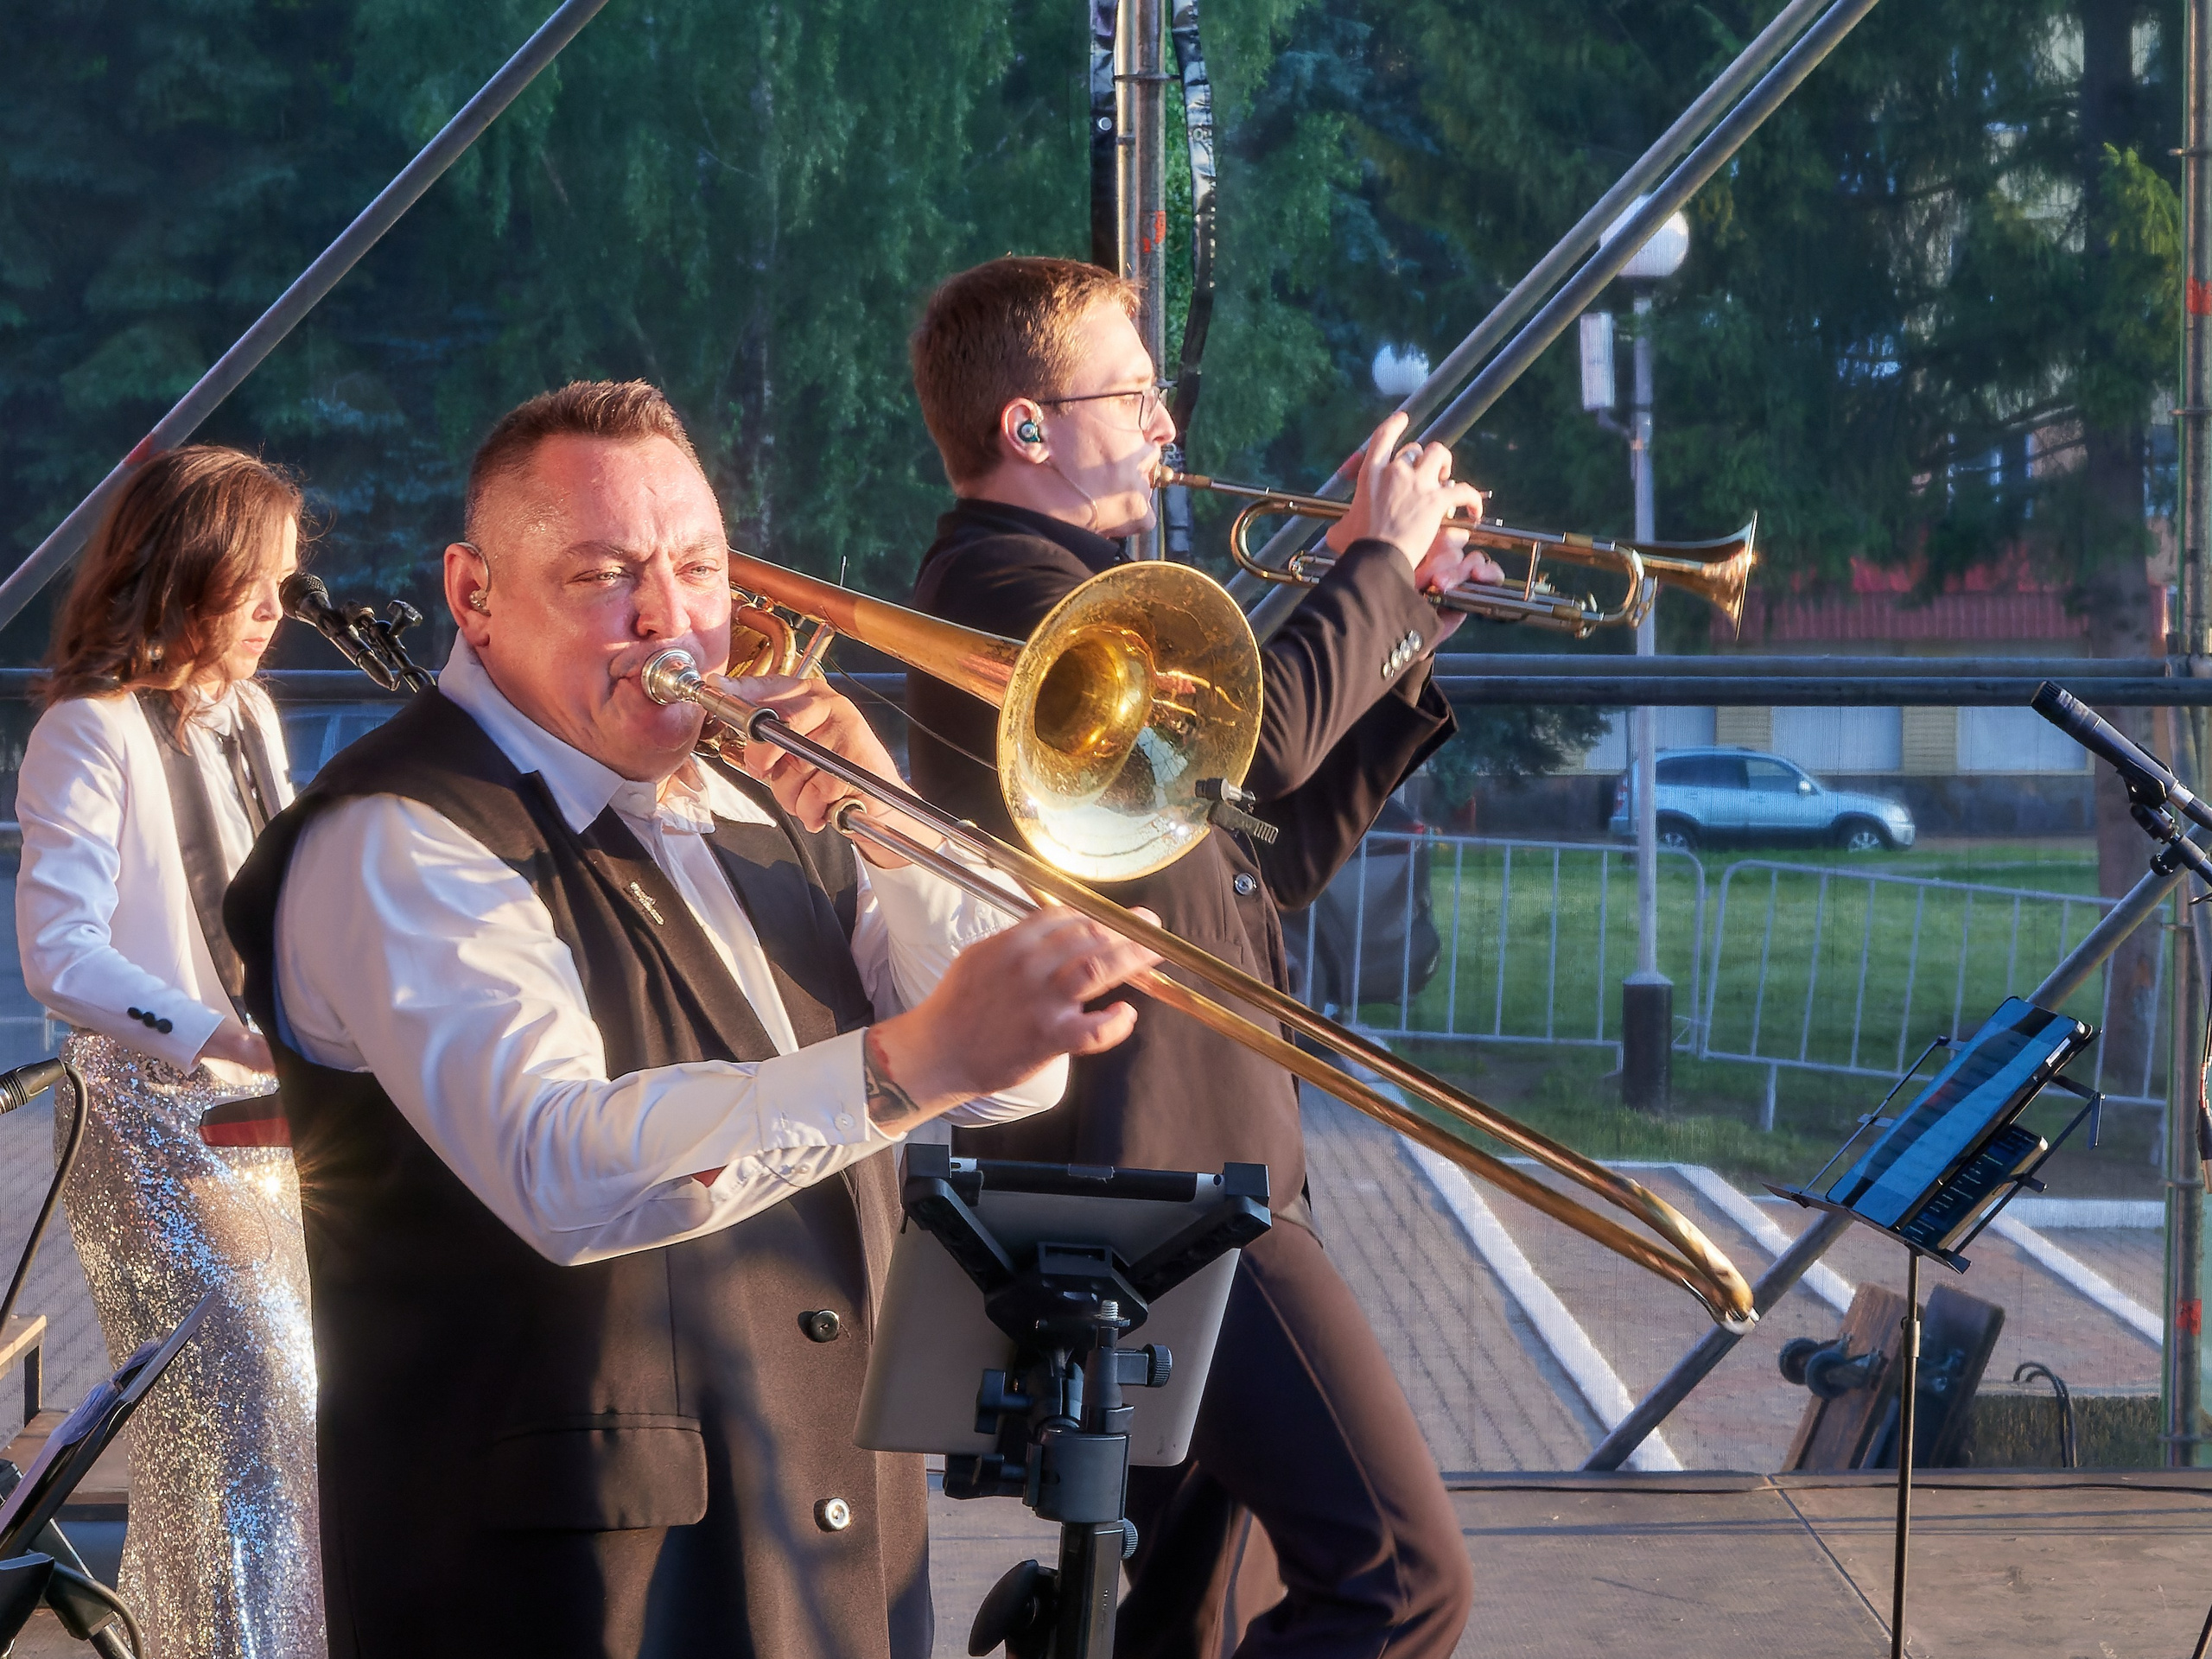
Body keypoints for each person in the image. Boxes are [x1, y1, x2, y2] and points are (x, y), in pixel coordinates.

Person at [221, 379, 1160, 1659]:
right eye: (607, 575)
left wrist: (885, 822)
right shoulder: (399, 834)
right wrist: (907, 1066)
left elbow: (1009, 1091)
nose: (673, 619)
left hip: (825, 1547)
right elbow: (559, 1163)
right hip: (570, 1599)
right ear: (474, 594)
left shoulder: (760, 807)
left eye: (702, 567)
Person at [904, 256, 1496, 1657]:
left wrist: (1405, 634)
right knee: (1402, 1582)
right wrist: (1372, 566)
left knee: (1173, 1627)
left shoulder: (1093, 598)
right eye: (1137, 390)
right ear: (1027, 427)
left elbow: (1265, 852)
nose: (1169, 425)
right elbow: (1271, 736)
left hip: (1201, 1155)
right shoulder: (1001, 592)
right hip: (1150, 1172)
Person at [16, 443, 325, 1657]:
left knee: (270, 1439)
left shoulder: (247, 714)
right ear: (181, 569)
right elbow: (59, 955)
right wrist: (223, 1035)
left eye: (285, 584)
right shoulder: (85, 734)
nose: (274, 612)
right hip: (150, 1128)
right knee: (247, 1421)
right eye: (255, 583)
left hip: (269, 1121)